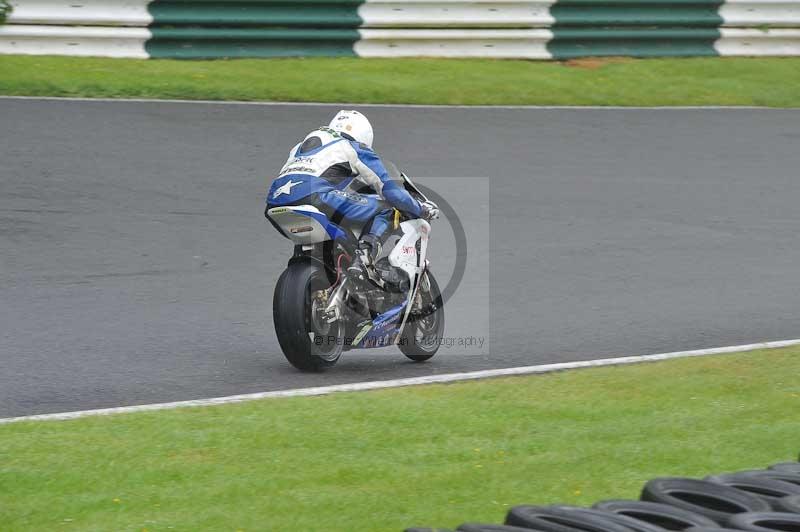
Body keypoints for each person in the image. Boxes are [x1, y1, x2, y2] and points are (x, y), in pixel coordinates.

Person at [266, 110, 439, 281]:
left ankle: (321, 263)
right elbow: (391, 192)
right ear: (364, 137)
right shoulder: (355, 147)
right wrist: (419, 208)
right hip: (316, 196)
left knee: (333, 217)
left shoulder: (301, 146)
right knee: (388, 208)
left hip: (275, 201)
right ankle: (364, 257)